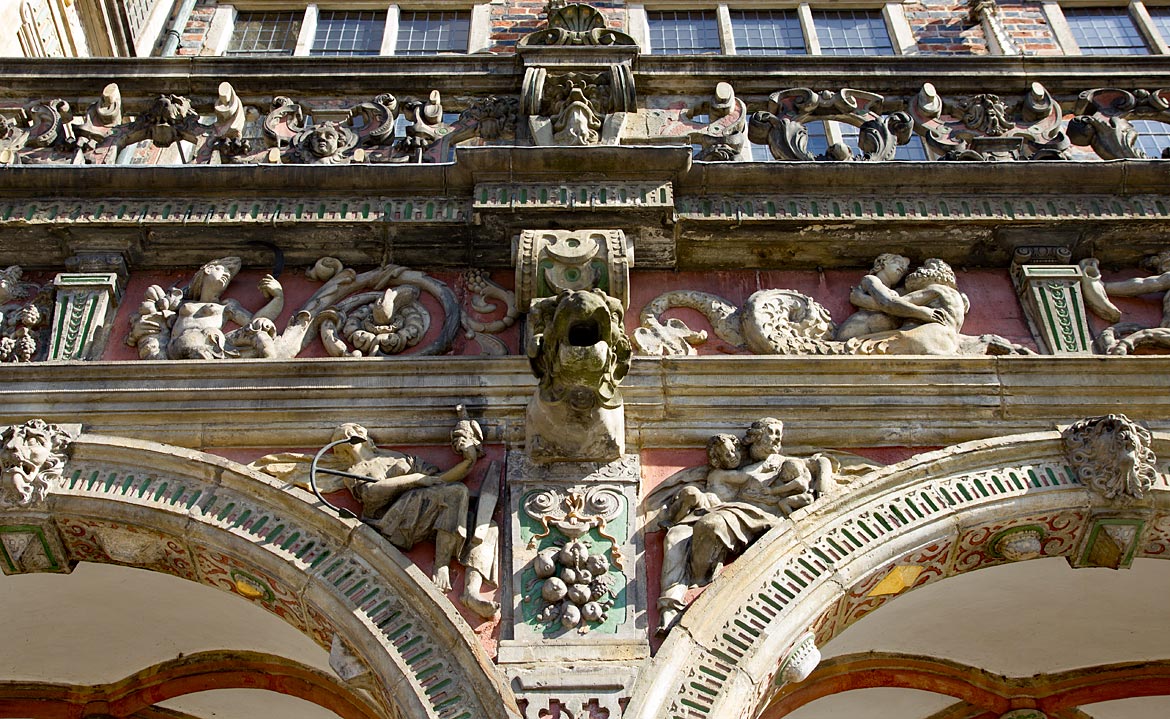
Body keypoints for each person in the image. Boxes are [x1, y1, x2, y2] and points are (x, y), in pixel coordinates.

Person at [657, 418, 823, 634]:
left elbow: (820, 462)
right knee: (674, 537)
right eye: (771, 433)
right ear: (755, 437)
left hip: (757, 514)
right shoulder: (729, 470)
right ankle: (669, 606)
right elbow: (721, 491)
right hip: (717, 509)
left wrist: (822, 485)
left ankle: (700, 576)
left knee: (710, 525)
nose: (777, 438)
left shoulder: (783, 463)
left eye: (778, 434)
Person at [329, 421, 498, 618]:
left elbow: (441, 479)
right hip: (391, 521)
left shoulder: (397, 458)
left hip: (424, 513)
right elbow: (370, 493)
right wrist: (415, 479)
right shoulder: (353, 471)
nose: (351, 436)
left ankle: (471, 592)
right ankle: (441, 565)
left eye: (352, 432)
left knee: (487, 527)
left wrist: (469, 460)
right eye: (346, 436)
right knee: (456, 492)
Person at [844, 258, 970, 355]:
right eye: (897, 262)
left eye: (925, 267)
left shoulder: (934, 290)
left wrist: (861, 299)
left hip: (929, 334)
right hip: (949, 340)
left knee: (859, 347)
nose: (918, 269)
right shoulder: (958, 297)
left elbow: (892, 304)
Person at [167, 257, 285, 359]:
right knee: (194, 339)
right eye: (222, 270)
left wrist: (278, 297)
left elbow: (254, 322)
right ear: (208, 269)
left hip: (213, 343)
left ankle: (272, 370)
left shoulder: (226, 307)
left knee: (259, 335)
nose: (226, 275)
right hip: (181, 344)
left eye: (228, 276)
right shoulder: (181, 302)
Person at [835, 253, 912, 341]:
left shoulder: (896, 292)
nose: (902, 268)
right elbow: (886, 303)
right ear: (883, 263)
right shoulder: (870, 279)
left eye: (904, 269)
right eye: (897, 262)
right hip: (856, 329)